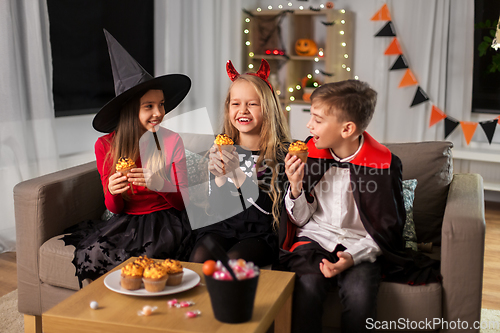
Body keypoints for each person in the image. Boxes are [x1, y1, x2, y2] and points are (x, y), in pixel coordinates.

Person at [275, 80, 440, 333]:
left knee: (360, 296)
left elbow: (385, 230)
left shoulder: (384, 165)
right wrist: (296, 186)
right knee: (307, 289)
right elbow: (299, 221)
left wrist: (351, 258)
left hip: (360, 246)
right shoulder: (310, 153)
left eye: (317, 120)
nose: (309, 125)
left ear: (347, 128)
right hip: (315, 239)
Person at [61, 30, 192, 287]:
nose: (159, 113)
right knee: (95, 252)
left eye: (162, 104)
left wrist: (160, 183)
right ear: (131, 111)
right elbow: (115, 208)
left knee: (151, 260)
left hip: (165, 218)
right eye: (149, 106)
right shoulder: (105, 146)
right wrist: (112, 191)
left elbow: (181, 203)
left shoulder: (171, 141)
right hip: (126, 220)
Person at [188, 59, 291, 267]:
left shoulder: (281, 154)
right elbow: (218, 207)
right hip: (222, 227)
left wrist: (237, 174)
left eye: (252, 104)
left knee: (234, 262)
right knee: (199, 258)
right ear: (228, 108)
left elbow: (268, 212)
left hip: (260, 233)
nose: (242, 110)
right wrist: (218, 178)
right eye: (236, 103)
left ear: (268, 109)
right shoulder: (221, 148)